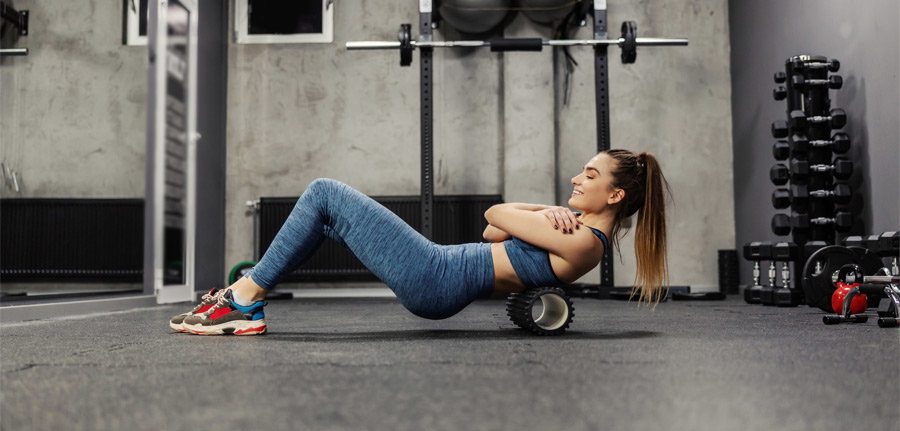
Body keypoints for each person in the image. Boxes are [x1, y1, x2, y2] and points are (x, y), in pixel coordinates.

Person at [169, 149, 670, 335]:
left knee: (324, 192)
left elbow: (495, 212)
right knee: (325, 218)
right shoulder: (576, 232)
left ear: (616, 193)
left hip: (434, 276)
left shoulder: (584, 242)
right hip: (440, 271)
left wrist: (543, 210)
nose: (578, 180)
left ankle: (243, 300)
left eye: (590, 175)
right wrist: (547, 212)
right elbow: (492, 233)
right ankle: (249, 300)